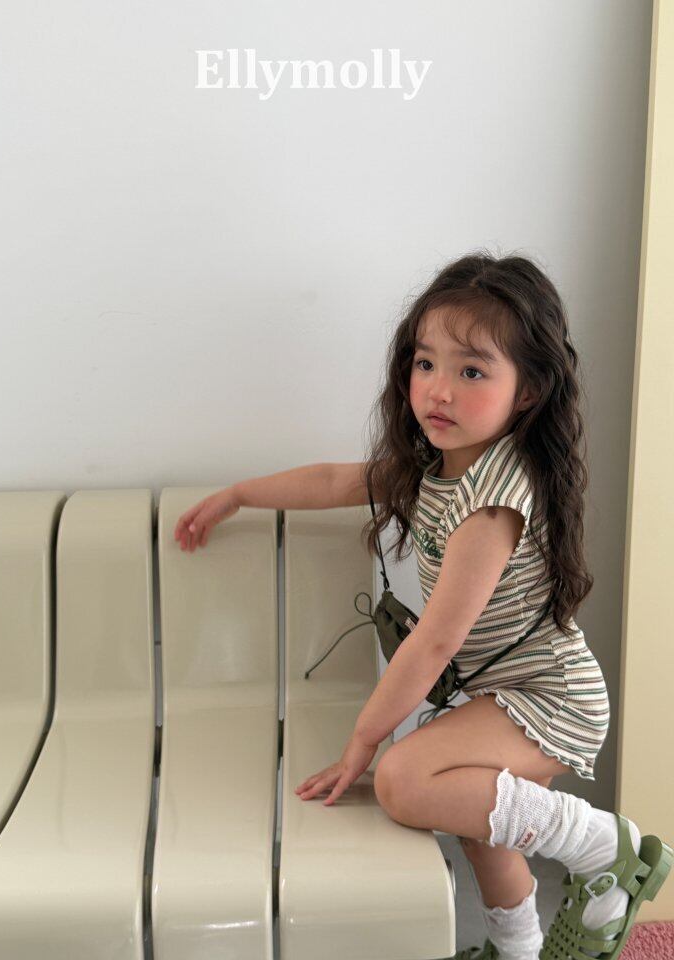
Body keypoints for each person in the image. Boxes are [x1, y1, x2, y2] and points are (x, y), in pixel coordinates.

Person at [173, 251, 671, 960]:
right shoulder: (439, 467)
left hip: (550, 697)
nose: (439, 389)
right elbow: (336, 480)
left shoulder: (491, 505)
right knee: (481, 828)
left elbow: (435, 642)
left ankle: (603, 845)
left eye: (472, 372)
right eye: (426, 363)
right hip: (508, 692)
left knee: (403, 781)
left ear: (528, 390)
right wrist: (240, 495)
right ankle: (518, 951)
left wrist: (364, 742)